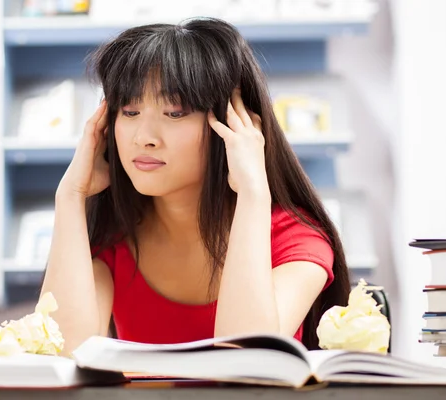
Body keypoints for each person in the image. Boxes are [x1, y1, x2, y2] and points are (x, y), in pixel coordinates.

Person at [41, 17, 350, 356]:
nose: (144, 138)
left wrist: (253, 193)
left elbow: (244, 362)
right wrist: (69, 197)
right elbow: (61, 354)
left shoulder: (295, 240)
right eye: (129, 111)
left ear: (236, 123)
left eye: (174, 113)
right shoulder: (112, 237)